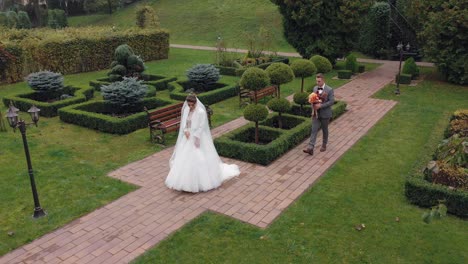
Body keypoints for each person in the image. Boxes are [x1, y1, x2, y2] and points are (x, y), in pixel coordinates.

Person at [165, 94, 240, 192]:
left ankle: (202, 180)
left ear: (196, 103)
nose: (190, 107)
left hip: (198, 136)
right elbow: (184, 123)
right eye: (189, 105)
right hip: (188, 137)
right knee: (185, 158)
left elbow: (202, 126)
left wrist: (196, 137)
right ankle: (185, 180)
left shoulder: (200, 112)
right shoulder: (186, 110)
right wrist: (185, 130)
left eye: (192, 105)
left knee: (199, 157)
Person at [303, 73, 335, 156]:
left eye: (319, 81)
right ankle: (310, 148)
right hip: (316, 114)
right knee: (314, 130)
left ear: (323, 80)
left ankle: (324, 144)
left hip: (325, 114)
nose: (317, 83)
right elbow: (313, 99)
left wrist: (320, 105)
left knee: (325, 129)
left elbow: (331, 102)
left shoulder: (329, 90)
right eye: (317, 81)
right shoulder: (315, 88)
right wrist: (312, 105)